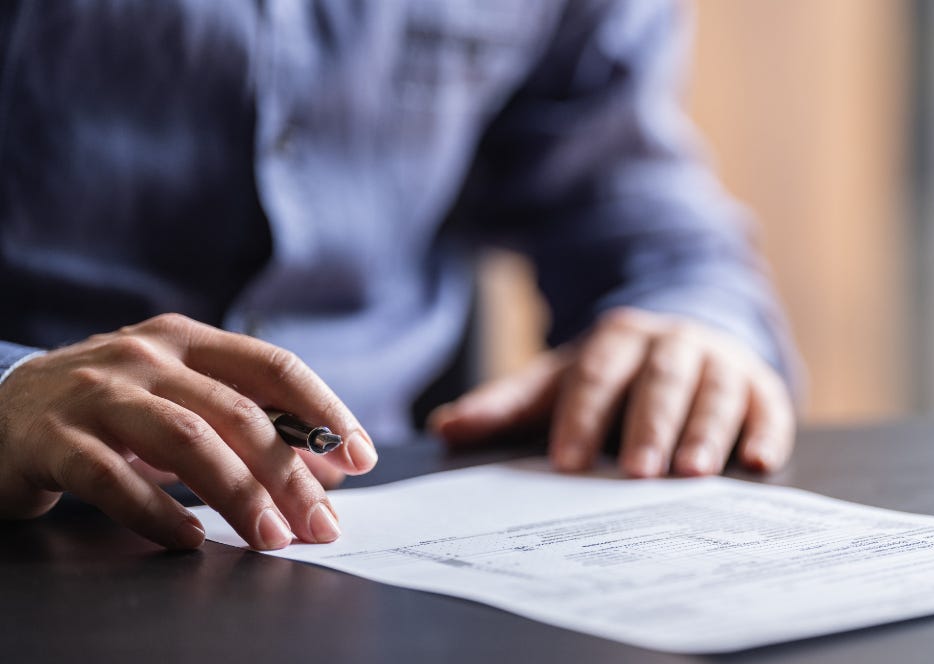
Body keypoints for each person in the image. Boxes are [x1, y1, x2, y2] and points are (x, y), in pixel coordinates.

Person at [0, 1, 799, 552]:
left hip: (378, 537)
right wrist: (13, 390)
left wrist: (695, 321)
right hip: (35, 535)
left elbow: (630, 195)